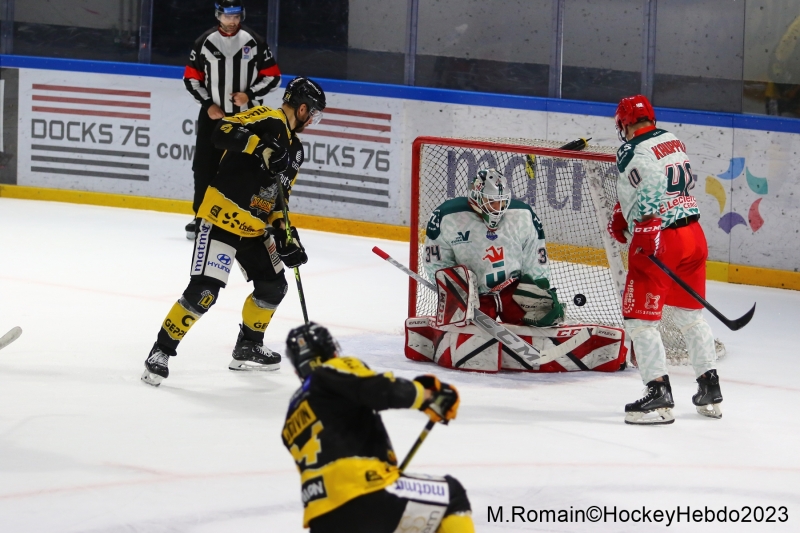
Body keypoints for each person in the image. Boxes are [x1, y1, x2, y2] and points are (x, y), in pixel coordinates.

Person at [141, 77, 326, 387]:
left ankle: (249, 345)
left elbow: (279, 197)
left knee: (274, 287)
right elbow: (222, 131)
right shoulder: (267, 117)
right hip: (221, 218)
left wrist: (285, 236)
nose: (313, 120)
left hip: (254, 229)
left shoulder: (296, 151)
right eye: (314, 113)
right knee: (204, 291)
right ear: (303, 108)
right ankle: (160, 352)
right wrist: (261, 147)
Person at [405, 168, 627, 373]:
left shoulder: (522, 215)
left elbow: (535, 256)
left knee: (544, 315)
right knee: (467, 330)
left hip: (513, 289)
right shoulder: (448, 216)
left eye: (501, 203)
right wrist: (455, 292)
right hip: (474, 295)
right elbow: (436, 260)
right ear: (476, 199)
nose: (498, 209)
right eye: (492, 203)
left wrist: (539, 289)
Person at [282, 322, 475, 533]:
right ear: (331, 349)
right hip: (365, 492)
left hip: (321, 518)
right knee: (452, 496)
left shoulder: (292, 413)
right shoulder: (331, 370)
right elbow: (378, 389)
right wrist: (429, 396)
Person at [610, 94, 723, 425]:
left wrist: (642, 226)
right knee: (690, 317)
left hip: (661, 238)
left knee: (640, 320)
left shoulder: (631, 150)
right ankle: (709, 390)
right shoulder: (671, 139)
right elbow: (654, 179)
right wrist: (622, 210)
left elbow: (651, 186)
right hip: (693, 236)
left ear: (624, 123)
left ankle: (658, 396)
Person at [183, 0, 282, 239]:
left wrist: (249, 94)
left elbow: (273, 76)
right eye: (228, 16)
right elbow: (191, 78)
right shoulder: (205, 42)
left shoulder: (254, 41)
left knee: (250, 169)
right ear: (219, 16)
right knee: (205, 167)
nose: (232, 21)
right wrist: (208, 105)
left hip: (249, 119)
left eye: (236, 16)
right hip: (214, 119)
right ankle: (202, 218)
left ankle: (251, 217)